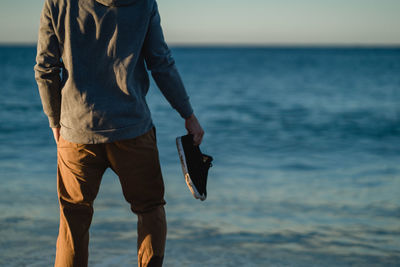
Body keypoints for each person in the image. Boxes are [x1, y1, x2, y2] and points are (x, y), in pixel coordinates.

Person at [34, 0, 204, 266]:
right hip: (133, 129)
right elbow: (160, 63)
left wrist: (55, 120)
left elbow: (45, 68)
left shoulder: (57, 3)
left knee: (73, 219)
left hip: (77, 130)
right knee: (150, 209)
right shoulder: (144, 3)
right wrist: (188, 114)